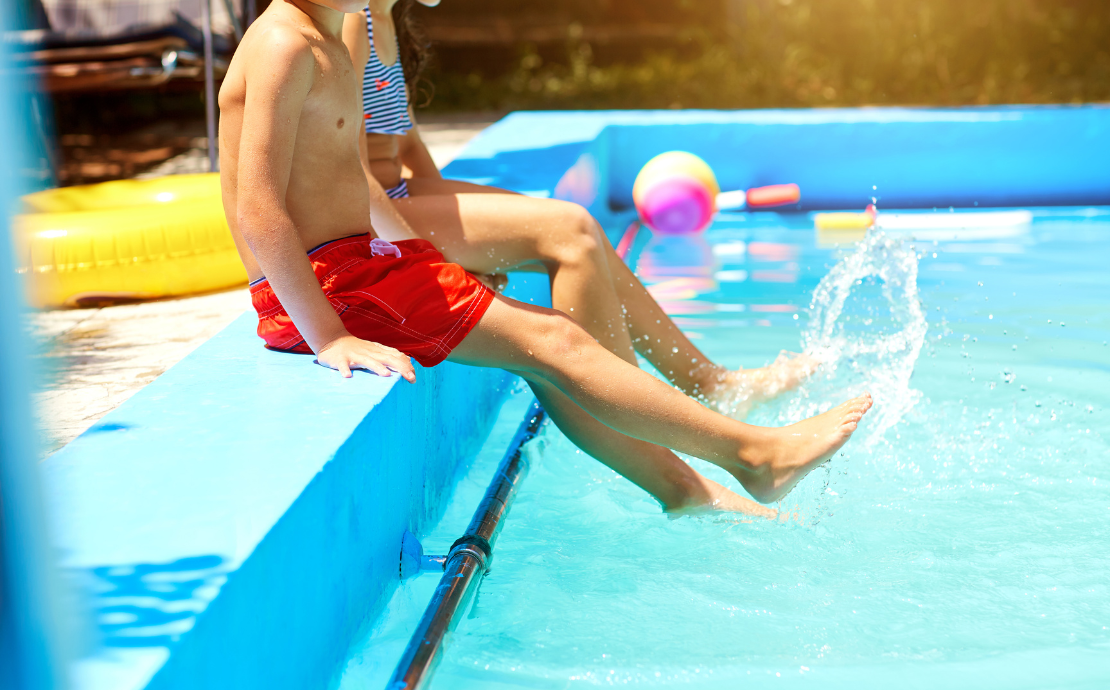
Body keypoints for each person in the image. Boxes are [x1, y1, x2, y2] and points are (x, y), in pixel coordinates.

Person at [216, 0, 873, 519]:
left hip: (365, 261)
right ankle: (752, 456)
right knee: (555, 342)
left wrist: (420, 258)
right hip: (327, 285)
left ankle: (687, 488)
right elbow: (258, 207)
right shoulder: (283, 44)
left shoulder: (337, 32)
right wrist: (328, 336)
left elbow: (349, 180)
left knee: (550, 344)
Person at [340, 0, 816, 421]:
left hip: (400, 194)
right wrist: (426, 261)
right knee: (568, 230)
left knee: (573, 226)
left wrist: (471, 234)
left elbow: (408, 146)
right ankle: (645, 410)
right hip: (373, 213)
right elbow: (353, 170)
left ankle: (701, 381)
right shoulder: (355, 21)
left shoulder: (384, 19)